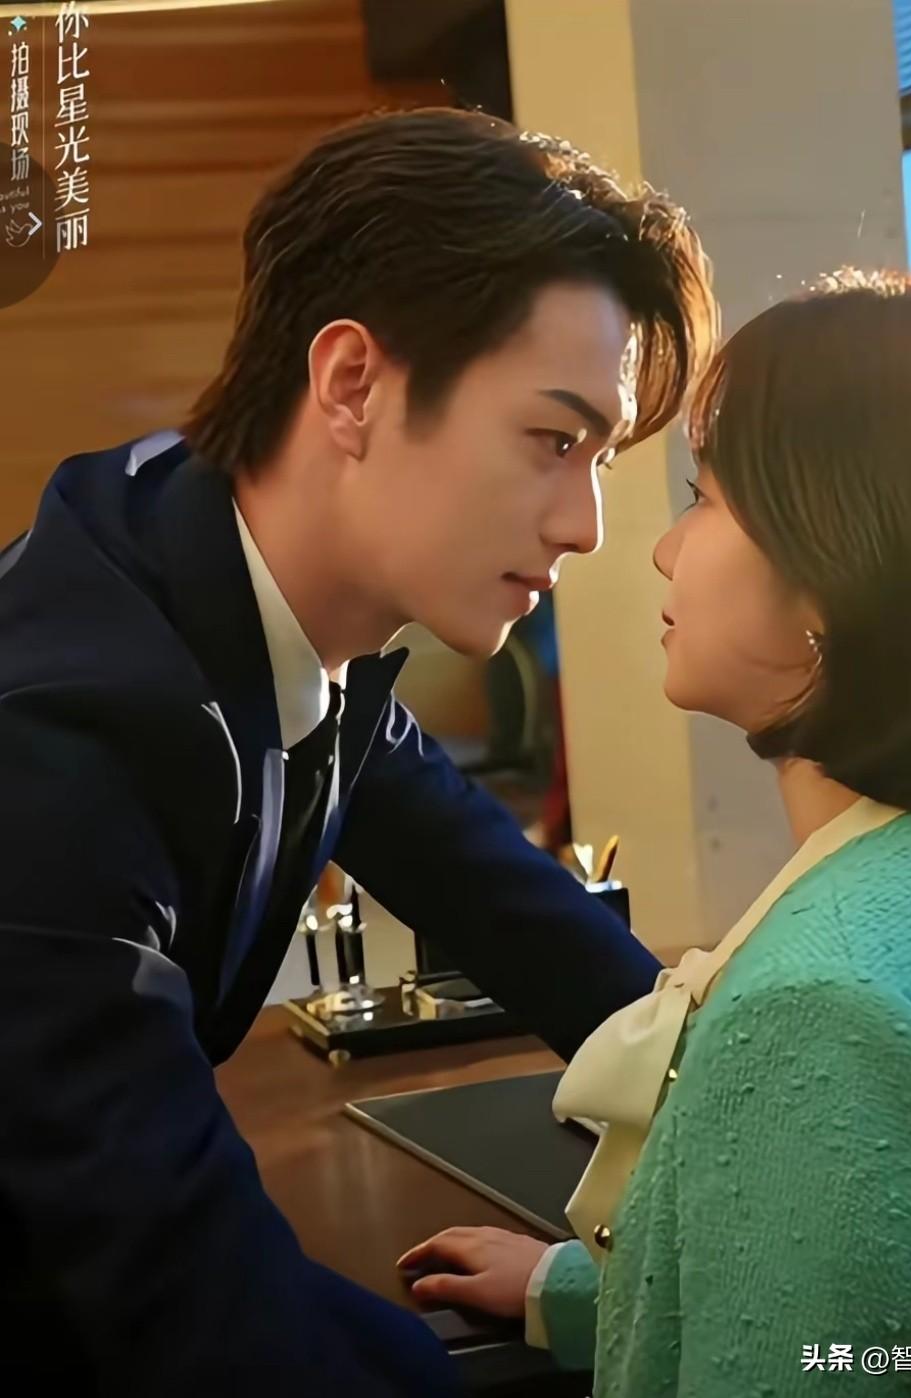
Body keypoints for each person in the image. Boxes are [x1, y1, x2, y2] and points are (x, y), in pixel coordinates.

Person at [0, 108, 714, 1395]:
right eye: (554, 441)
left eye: (602, 458)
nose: (589, 525)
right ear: (350, 385)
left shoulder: (251, 584)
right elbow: (180, 1282)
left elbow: (496, 893)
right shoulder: (56, 739)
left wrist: (736, 1096)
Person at [400, 273, 911, 1396]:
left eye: (705, 498)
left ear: (836, 576)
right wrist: (598, 1290)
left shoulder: (827, 1015)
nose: (664, 551)